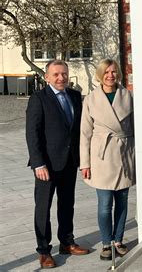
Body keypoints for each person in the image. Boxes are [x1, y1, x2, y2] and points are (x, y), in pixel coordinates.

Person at [26, 60, 90, 269]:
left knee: (66, 204)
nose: (61, 78)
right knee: (43, 208)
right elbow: (32, 134)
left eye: (64, 74)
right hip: (47, 165)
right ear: (47, 77)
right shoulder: (39, 98)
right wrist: (38, 164)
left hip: (69, 162)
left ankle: (66, 242)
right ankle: (44, 251)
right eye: (56, 74)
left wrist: (83, 159)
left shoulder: (73, 96)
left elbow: (80, 130)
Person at [80, 59, 135, 261]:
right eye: (107, 72)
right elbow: (85, 133)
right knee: (104, 204)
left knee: (122, 201)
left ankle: (118, 240)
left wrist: (137, 156)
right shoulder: (91, 99)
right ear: (100, 74)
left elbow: (135, 128)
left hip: (123, 152)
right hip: (101, 156)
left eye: (114, 71)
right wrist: (84, 163)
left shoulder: (127, 96)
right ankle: (106, 242)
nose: (111, 75)